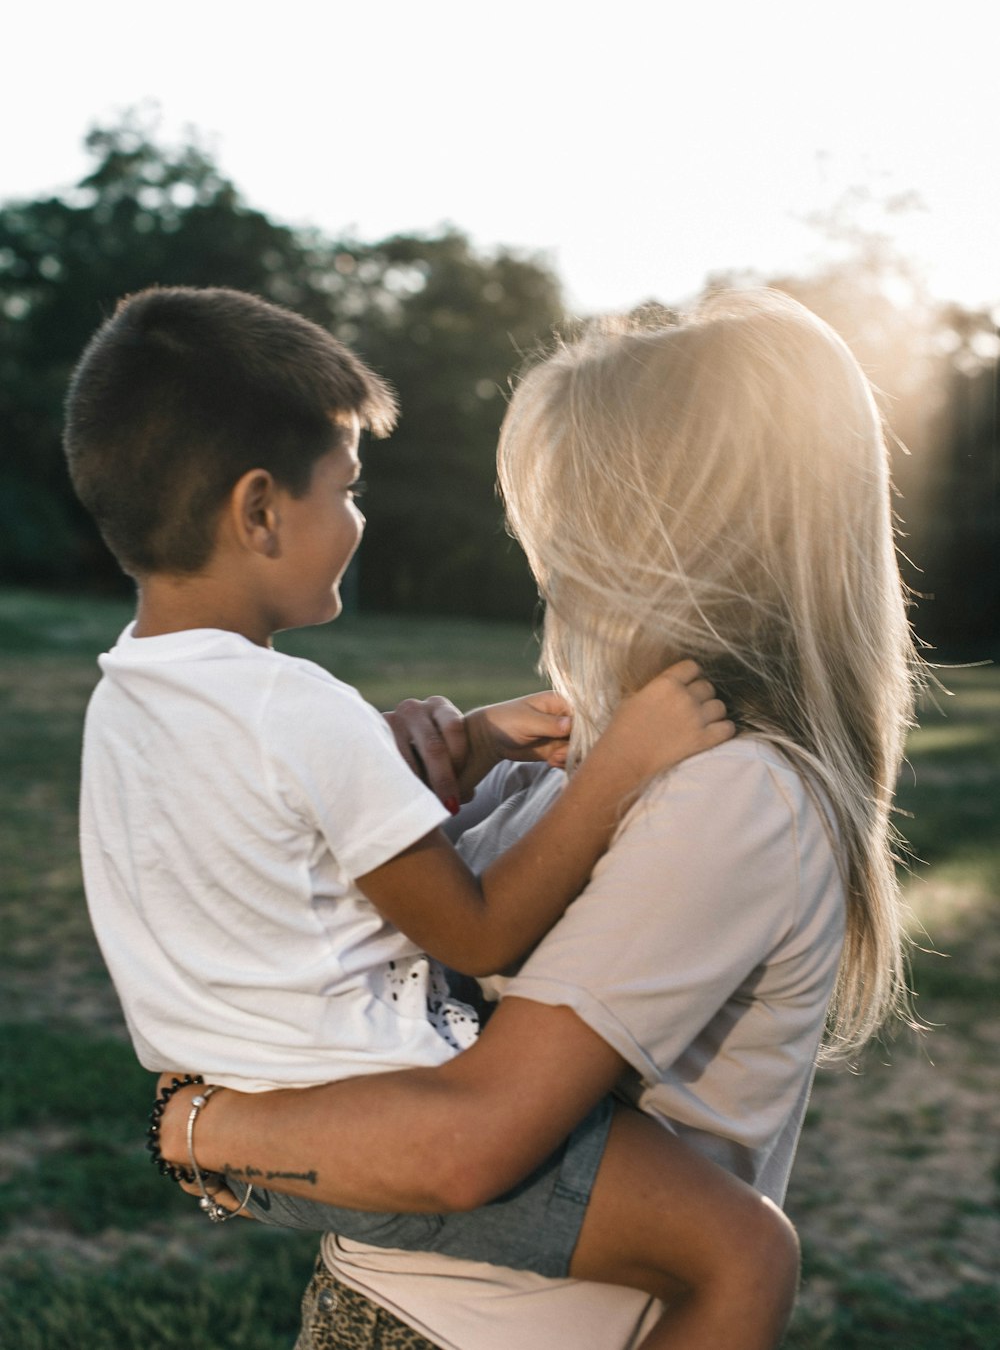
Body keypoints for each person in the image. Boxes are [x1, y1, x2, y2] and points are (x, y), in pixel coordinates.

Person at [153, 289, 920, 1350]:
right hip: (372, 1302)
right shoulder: (586, 751)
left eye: (572, 502)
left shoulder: (735, 790)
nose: (545, 550)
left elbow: (470, 1143)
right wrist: (425, 774)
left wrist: (202, 1127)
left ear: (668, 525)